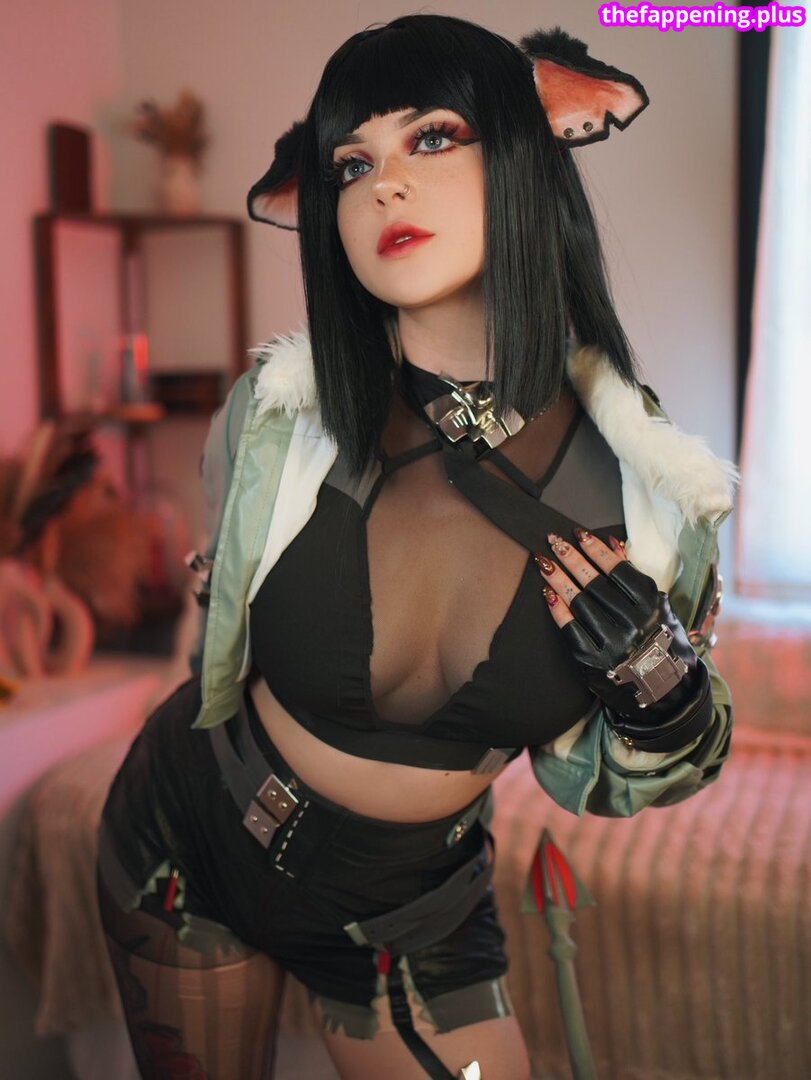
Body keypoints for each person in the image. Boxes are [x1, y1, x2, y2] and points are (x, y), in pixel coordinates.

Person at [96, 14, 736, 1080]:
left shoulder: (657, 490)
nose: (385, 185)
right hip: (182, 841)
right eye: (352, 164)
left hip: (411, 913)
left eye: (432, 136)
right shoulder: (275, 419)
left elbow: (654, 774)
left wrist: (657, 684)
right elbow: (220, 608)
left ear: (527, 148)